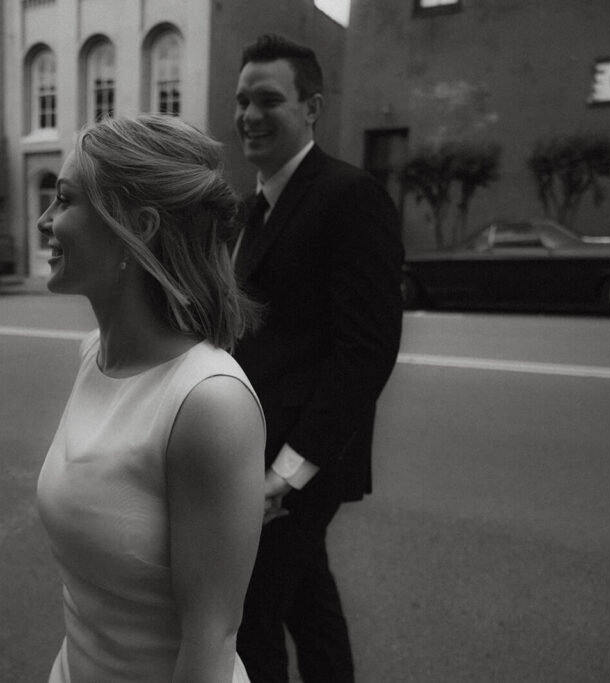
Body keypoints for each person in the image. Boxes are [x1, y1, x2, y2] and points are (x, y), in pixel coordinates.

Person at [35, 114, 266, 683]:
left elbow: (210, 640)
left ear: (133, 227)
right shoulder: (92, 353)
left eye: (64, 201)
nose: (44, 221)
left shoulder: (209, 402)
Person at [231, 34, 404, 683]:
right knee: (307, 599)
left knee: (252, 617)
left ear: (312, 107)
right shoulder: (252, 208)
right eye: (243, 99)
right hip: (257, 450)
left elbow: (366, 350)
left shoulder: (348, 195)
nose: (249, 114)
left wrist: (289, 471)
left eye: (268, 99)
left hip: (299, 463)